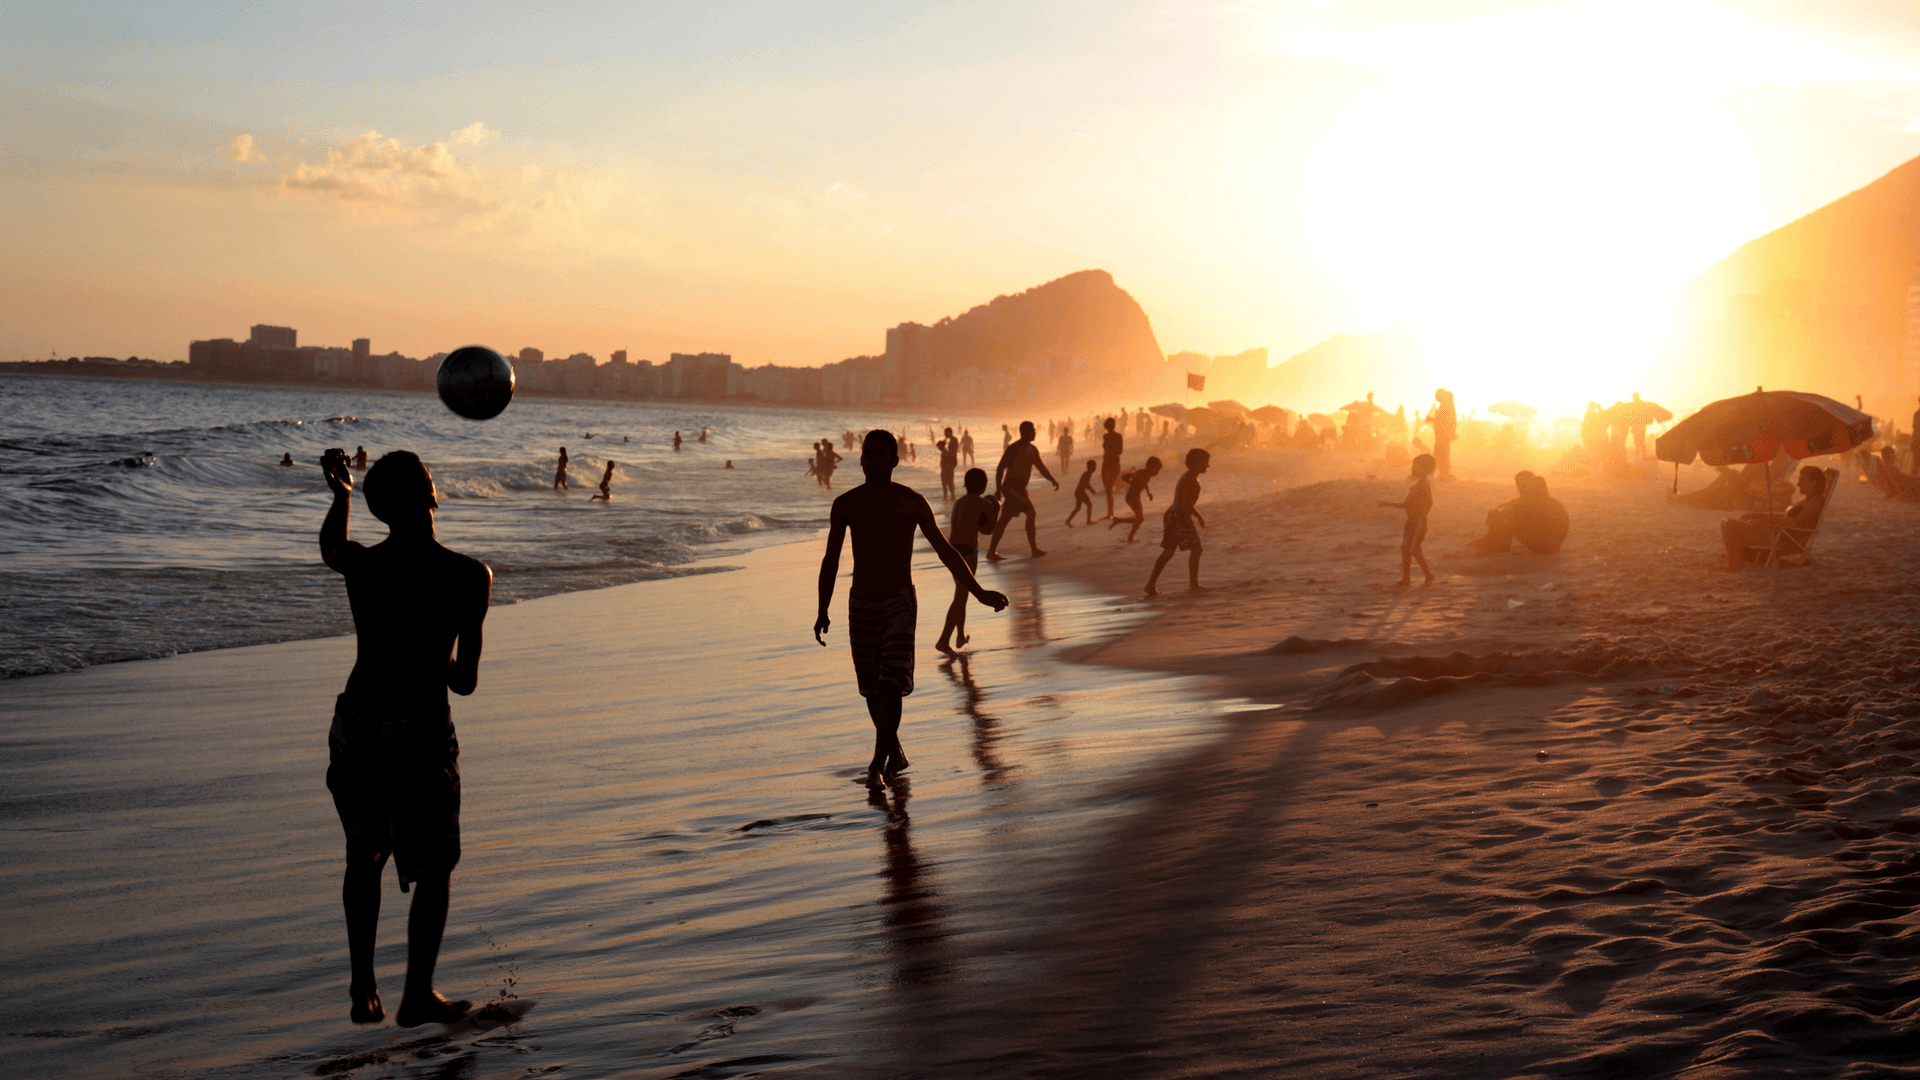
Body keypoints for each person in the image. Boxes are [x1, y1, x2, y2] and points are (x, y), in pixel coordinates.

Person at [318, 448, 491, 1029]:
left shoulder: (366, 566)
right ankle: (418, 992)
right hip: (421, 732)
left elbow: (331, 551)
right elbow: (464, 683)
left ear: (380, 511)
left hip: (362, 725)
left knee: (363, 855)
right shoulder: (470, 576)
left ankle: (364, 985)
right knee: (436, 863)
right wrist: (431, 650)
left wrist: (339, 494)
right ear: (433, 495)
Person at [815, 432, 1008, 788]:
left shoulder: (912, 502)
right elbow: (830, 560)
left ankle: (876, 763)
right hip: (860, 602)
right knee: (871, 689)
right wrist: (822, 609)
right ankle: (895, 754)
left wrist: (979, 592)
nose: (872, 461)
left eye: (880, 455)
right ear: (860, 461)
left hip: (899, 601)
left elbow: (947, 552)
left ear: (894, 460)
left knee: (891, 685)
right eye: (867, 455)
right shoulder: (846, 504)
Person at [937, 468, 1000, 655]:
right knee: (961, 596)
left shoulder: (959, 501)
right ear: (983, 485)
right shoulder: (982, 502)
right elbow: (988, 530)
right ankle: (943, 640)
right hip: (968, 552)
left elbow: (974, 525)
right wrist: (996, 507)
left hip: (952, 549)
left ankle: (960, 636)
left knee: (961, 594)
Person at [1720, 466, 1828, 571]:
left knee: (1729, 525)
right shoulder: (1809, 498)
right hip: (1779, 534)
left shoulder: (1815, 502)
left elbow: (1796, 524)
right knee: (1745, 517)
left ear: (1814, 483)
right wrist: (1765, 517)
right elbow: (1789, 519)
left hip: (1782, 540)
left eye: (1802, 480)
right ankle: (1744, 557)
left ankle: (1735, 565)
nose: (1798, 484)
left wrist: (1766, 520)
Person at [986, 421, 1060, 561]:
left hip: (1020, 489)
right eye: (1032, 430)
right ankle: (1034, 550)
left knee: (1004, 520)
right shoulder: (1014, 448)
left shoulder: (1033, 449)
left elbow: (1041, 467)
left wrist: (1052, 480)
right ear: (1024, 432)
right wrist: (998, 489)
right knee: (1031, 512)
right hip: (1010, 488)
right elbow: (1000, 468)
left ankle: (991, 551)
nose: (1035, 432)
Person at [1144, 448, 1209, 596]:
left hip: (1171, 515)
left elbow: (1186, 502)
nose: (1207, 466)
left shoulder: (1189, 477)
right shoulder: (1191, 479)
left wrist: (1197, 516)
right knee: (1197, 549)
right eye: (1205, 463)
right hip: (1179, 516)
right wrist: (1197, 517)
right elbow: (1186, 504)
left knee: (1168, 552)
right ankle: (1194, 584)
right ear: (1195, 464)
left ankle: (1150, 584)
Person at [1470, 470, 1568, 555]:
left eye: (1521, 484)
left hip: (1545, 546)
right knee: (1506, 515)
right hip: (1553, 545)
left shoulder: (1533, 501)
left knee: (1508, 517)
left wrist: (1497, 516)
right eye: (1518, 485)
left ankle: (1498, 546)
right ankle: (1491, 541)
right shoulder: (1542, 498)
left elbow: (1514, 513)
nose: (1519, 488)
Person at [1383, 453, 1436, 585]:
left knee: (1412, 549)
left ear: (1424, 468)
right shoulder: (1421, 483)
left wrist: (1390, 504)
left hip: (1417, 521)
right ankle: (1408, 578)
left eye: (1415, 466)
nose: (1412, 468)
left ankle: (1426, 575)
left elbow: (1413, 504)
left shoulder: (1423, 485)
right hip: (1414, 520)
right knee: (1407, 549)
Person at [1110, 456, 1162, 542]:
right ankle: (1129, 537)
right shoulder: (1140, 473)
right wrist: (1131, 482)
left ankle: (1118, 521)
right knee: (1140, 519)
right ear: (1149, 467)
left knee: (1139, 518)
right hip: (1131, 497)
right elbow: (1125, 477)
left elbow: (1145, 483)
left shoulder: (1147, 475)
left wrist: (1149, 493)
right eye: (1156, 470)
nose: (1157, 473)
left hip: (1136, 497)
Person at [1427, 391, 1456, 480]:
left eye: (1436, 396)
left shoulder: (1445, 407)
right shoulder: (1446, 406)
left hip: (1443, 434)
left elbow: (1442, 421)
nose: (1435, 398)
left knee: (1440, 454)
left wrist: (1431, 419)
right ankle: (1443, 474)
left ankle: (1443, 474)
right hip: (1443, 434)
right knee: (1442, 453)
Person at [1099, 417, 1124, 519]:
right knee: (1107, 488)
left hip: (1114, 464)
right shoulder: (1105, 436)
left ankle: (1110, 513)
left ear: (1113, 425)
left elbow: (1120, 451)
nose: (1109, 427)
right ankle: (1110, 512)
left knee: (1109, 487)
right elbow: (1105, 449)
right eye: (1107, 425)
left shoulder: (1118, 436)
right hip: (1105, 464)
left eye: (1110, 425)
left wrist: (1110, 448)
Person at [1064, 459, 1099, 526]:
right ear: (1091, 467)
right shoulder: (1087, 474)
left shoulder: (1087, 473)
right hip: (1080, 492)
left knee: (1078, 508)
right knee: (1089, 505)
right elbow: (1086, 484)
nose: (1095, 468)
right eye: (1094, 466)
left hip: (1078, 492)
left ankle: (1068, 521)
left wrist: (1092, 490)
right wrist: (1092, 491)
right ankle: (1088, 521)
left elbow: (1086, 484)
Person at [937, 427, 960, 501]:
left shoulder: (954, 440)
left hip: (951, 462)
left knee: (949, 480)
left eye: (945, 433)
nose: (944, 434)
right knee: (947, 480)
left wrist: (947, 460)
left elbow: (953, 453)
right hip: (950, 462)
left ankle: (952, 496)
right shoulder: (951, 440)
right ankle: (948, 496)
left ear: (950, 432)